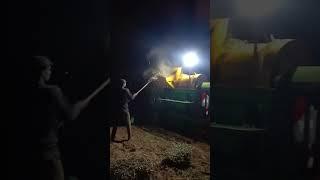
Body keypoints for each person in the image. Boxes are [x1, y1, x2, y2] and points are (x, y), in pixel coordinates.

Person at [27, 56, 109, 180]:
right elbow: (70, 114)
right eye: (49, 69)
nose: (50, 71)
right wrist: (79, 105)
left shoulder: (25, 93)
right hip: (48, 154)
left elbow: (45, 118)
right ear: (42, 71)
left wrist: (56, 122)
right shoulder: (52, 91)